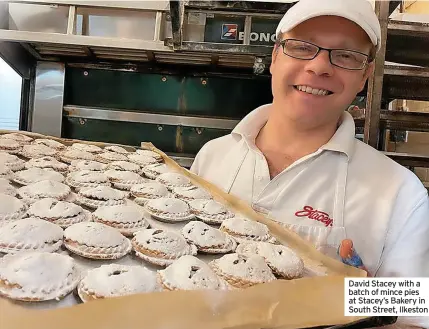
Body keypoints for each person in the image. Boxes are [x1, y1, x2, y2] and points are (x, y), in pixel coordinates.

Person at [190, 0, 429, 279]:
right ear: (275, 57)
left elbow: (411, 317)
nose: (319, 67)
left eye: (346, 55)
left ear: (364, 76)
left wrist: (357, 303)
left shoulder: (401, 195)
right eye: (302, 47)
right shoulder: (213, 157)